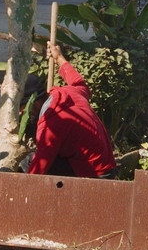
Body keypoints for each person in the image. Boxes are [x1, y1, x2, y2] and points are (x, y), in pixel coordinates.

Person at [27, 42, 117, 178]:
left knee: (29, 161)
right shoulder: (69, 93)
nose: (21, 113)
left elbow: (37, 171)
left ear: (35, 102)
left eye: (23, 108)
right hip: (106, 164)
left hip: (96, 175)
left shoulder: (50, 125)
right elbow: (79, 83)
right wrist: (59, 58)